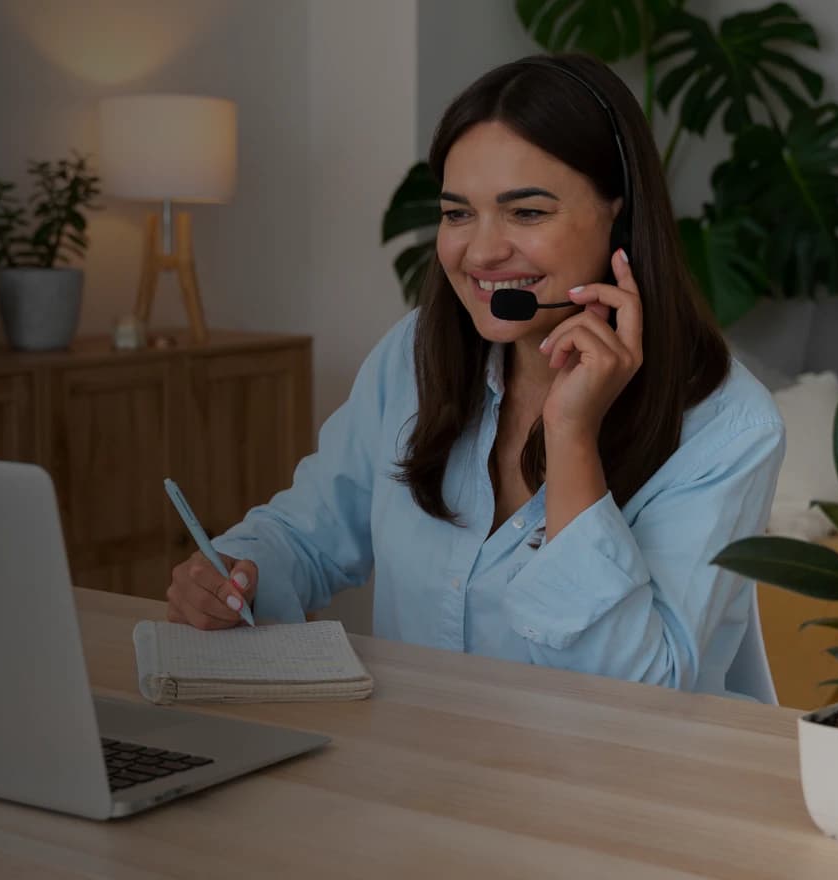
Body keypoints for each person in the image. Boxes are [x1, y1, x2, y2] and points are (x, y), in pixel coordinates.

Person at [163, 53, 788, 700]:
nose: (481, 253)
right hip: (422, 777)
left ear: (619, 217)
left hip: (611, 792)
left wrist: (572, 439)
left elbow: (633, 694)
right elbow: (306, 534)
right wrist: (238, 571)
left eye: (527, 213)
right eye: (458, 213)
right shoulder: (414, 356)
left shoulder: (727, 425)